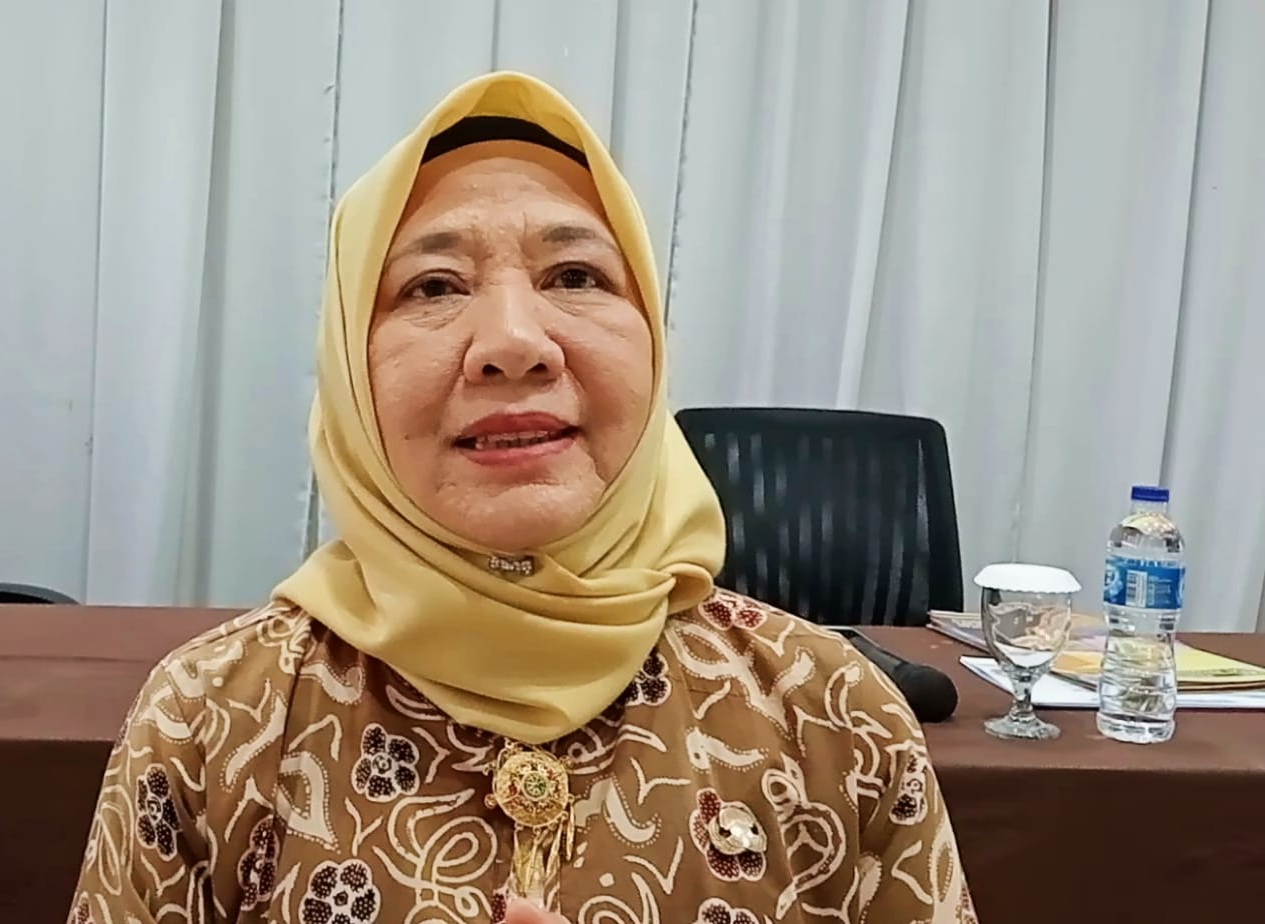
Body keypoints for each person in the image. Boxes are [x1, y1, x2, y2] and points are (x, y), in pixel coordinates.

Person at [68, 71, 976, 924]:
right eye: (433, 286)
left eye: (575, 277)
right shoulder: (211, 719)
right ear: (348, 368)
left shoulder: (834, 713)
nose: (512, 343)